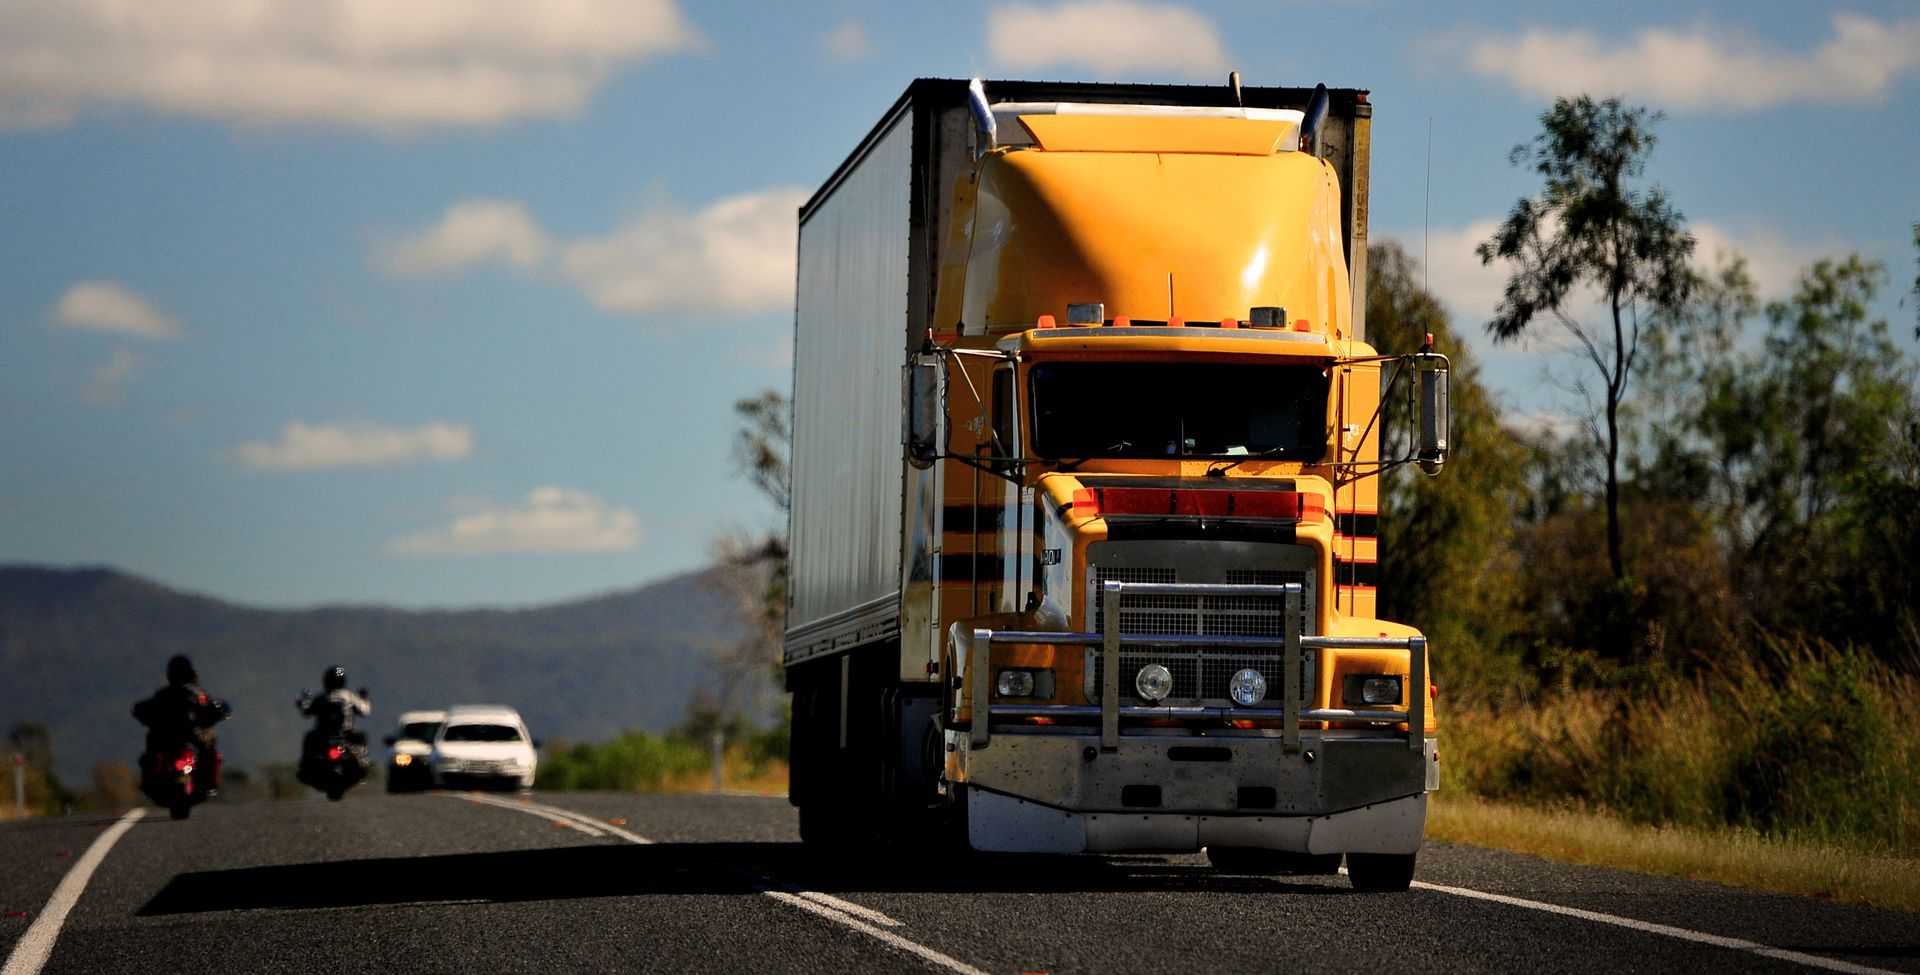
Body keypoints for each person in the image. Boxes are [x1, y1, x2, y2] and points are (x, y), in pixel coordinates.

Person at [132, 655, 228, 795]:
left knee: (208, 749)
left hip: (168, 737)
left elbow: (142, 710)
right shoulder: (196, 694)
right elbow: (213, 708)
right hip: (184, 736)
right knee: (209, 749)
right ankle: (208, 783)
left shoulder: (163, 695)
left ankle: (206, 782)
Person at [299, 666, 372, 765]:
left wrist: (303, 701)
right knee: (361, 738)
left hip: (322, 736)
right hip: (346, 735)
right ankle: (364, 762)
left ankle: (305, 765)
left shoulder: (321, 697)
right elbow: (364, 710)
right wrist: (365, 699)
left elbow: (307, 711)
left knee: (309, 738)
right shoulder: (350, 696)